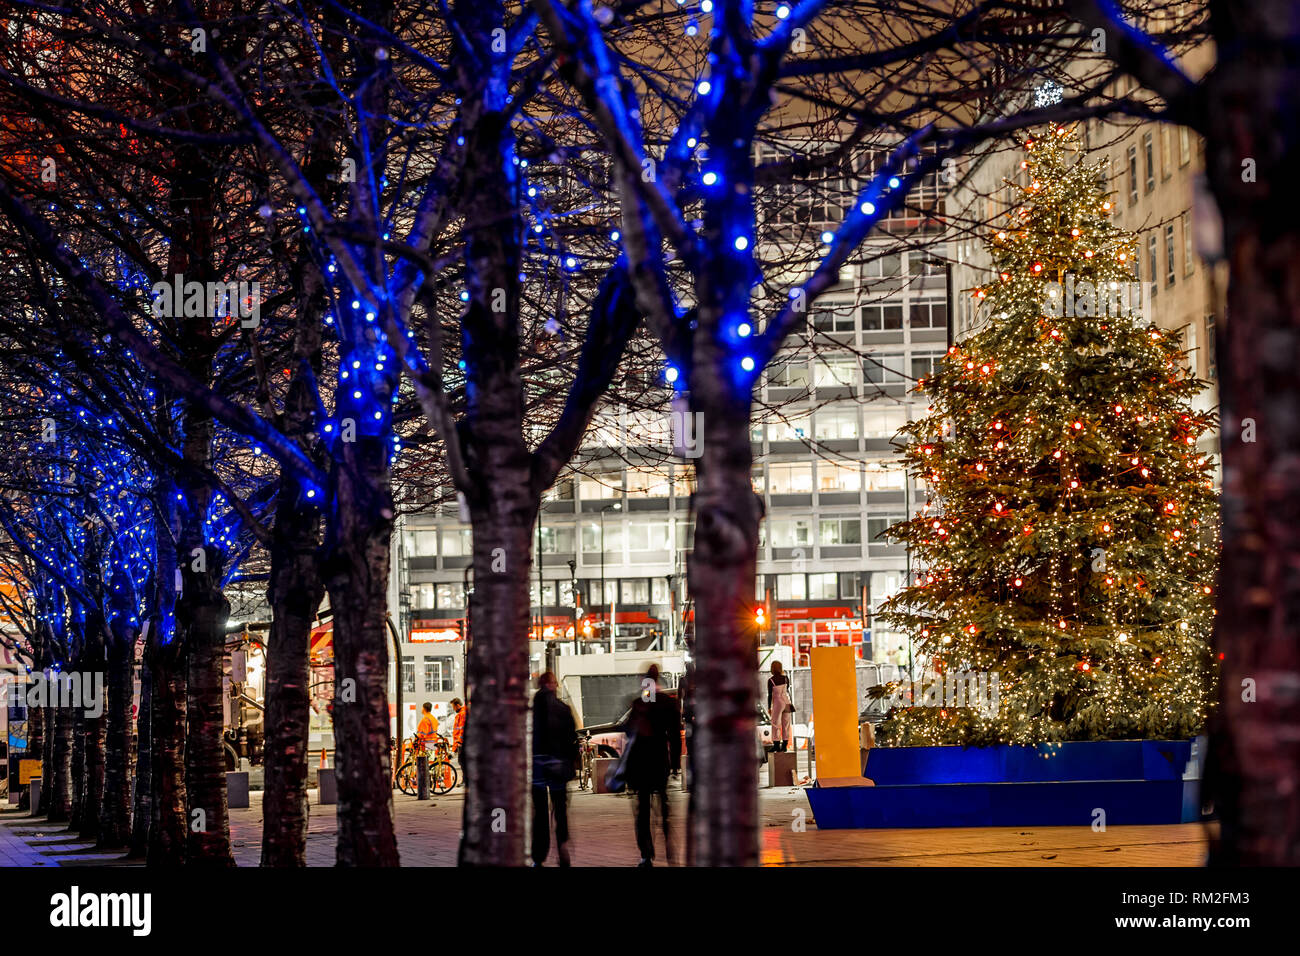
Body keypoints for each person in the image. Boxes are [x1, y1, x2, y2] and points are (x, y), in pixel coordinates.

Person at [622, 664, 682, 867]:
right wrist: (675, 764)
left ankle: (646, 854)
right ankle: (669, 847)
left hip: (640, 763)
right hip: (659, 761)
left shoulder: (640, 704)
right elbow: (675, 735)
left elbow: (628, 731)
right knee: (664, 805)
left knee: (643, 810)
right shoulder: (667, 703)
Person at [531, 672, 577, 866]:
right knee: (560, 810)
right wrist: (570, 762)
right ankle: (562, 845)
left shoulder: (533, 710)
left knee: (540, 814)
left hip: (538, 767)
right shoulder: (563, 709)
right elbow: (572, 739)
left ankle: (538, 856)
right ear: (554, 685)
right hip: (558, 766)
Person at [768, 661, 794, 753]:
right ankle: (784, 746)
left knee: (776, 723)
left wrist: (769, 707)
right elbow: (786, 690)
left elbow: (770, 695)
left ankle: (776, 745)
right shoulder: (786, 678)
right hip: (786, 701)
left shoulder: (771, 680)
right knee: (786, 724)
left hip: (778, 702)